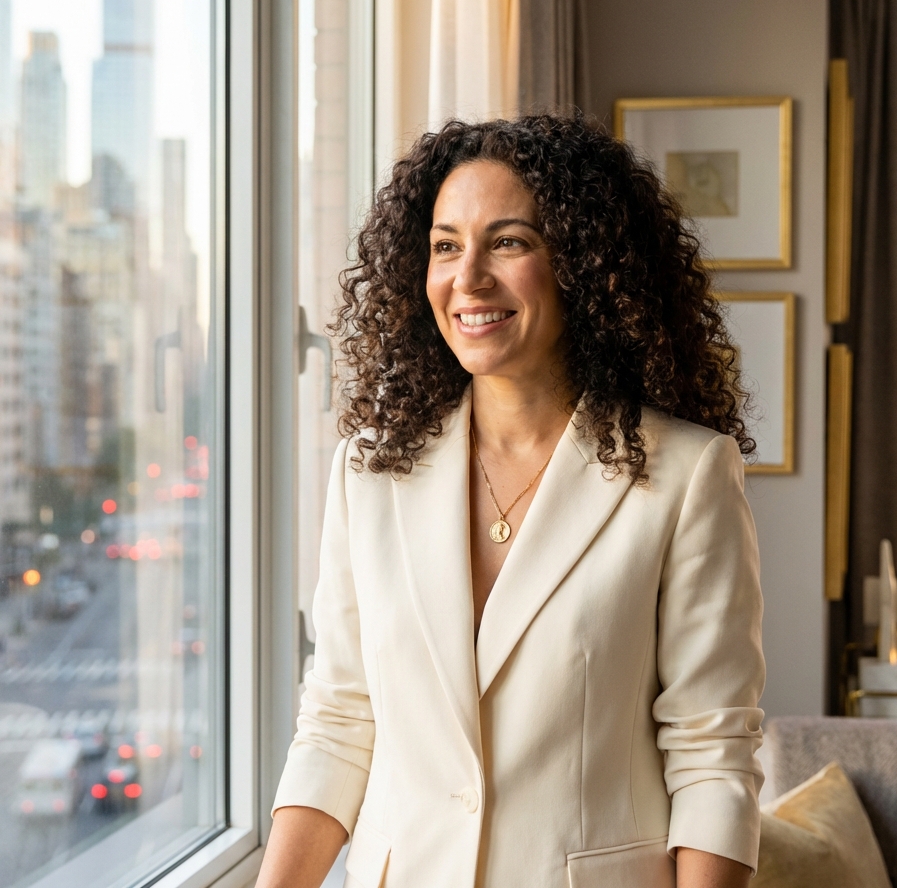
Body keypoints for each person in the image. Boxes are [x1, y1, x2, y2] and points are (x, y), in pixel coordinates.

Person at [256, 113, 765, 888]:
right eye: (446, 246)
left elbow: (711, 756)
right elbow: (338, 721)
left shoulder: (688, 474)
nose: (468, 278)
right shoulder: (369, 471)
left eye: (509, 242)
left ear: (584, 266)